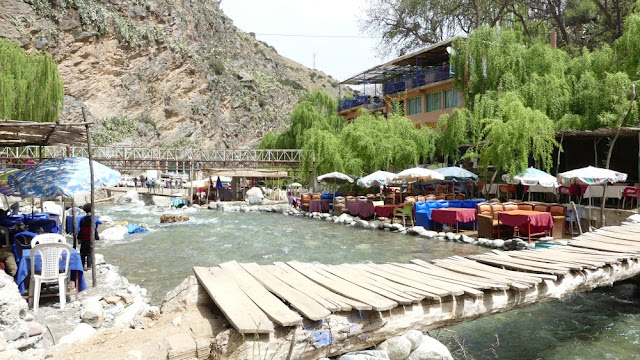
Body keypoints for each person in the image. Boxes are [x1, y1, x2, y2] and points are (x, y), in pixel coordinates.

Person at [78, 204, 99, 270]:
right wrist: (97, 237)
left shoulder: (82, 219)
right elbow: (97, 227)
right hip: (90, 239)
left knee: (83, 253)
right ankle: (89, 266)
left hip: (84, 239)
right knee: (90, 253)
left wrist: (79, 239)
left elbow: (80, 229)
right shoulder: (94, 219)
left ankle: (82, 265)